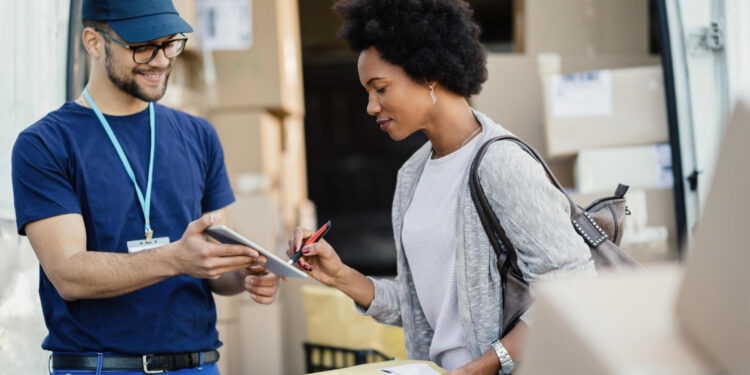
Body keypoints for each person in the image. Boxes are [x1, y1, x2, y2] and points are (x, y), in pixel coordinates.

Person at [288, 0, 596, 374]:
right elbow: (422, 309)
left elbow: (572, 285)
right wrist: (339, 275)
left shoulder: (501, 163)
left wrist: (484, 365)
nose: (370, 106)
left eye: (380, 88)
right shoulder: (412, 175)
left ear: (429, 73)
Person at [11, 1, 280, 373]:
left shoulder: (199, 135)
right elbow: (68, 274)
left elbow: (211, 262)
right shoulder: (44, 144)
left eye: (170, 43)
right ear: (93, 42)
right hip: (101, 367)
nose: (161, 60)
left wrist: (247, 274)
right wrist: (175, 258)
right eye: (142, 46)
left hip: (198, 365)